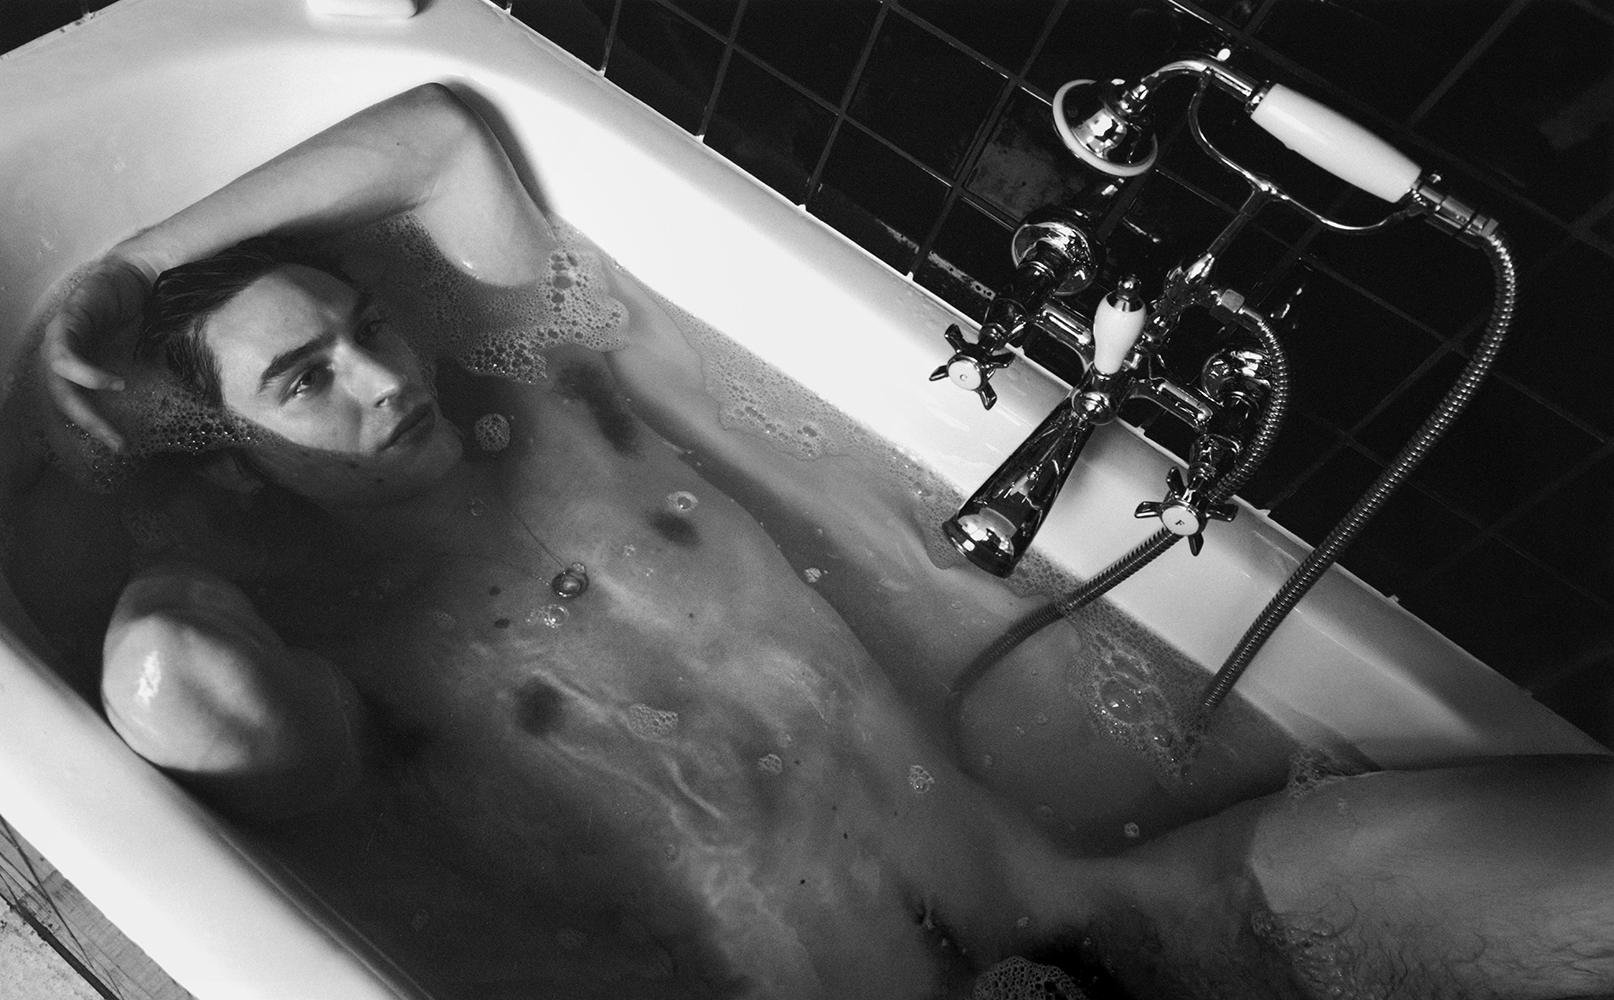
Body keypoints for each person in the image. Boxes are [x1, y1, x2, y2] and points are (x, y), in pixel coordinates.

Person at [28, 84, 1614, 1000]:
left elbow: (441, 138)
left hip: (1121, 908)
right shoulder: (361, 672)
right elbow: (171, 677)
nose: (383, 377)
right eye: (304, 384)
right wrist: (119, 433)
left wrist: (141, 263)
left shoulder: (572, 403)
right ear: (230, 455)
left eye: (366, 325)